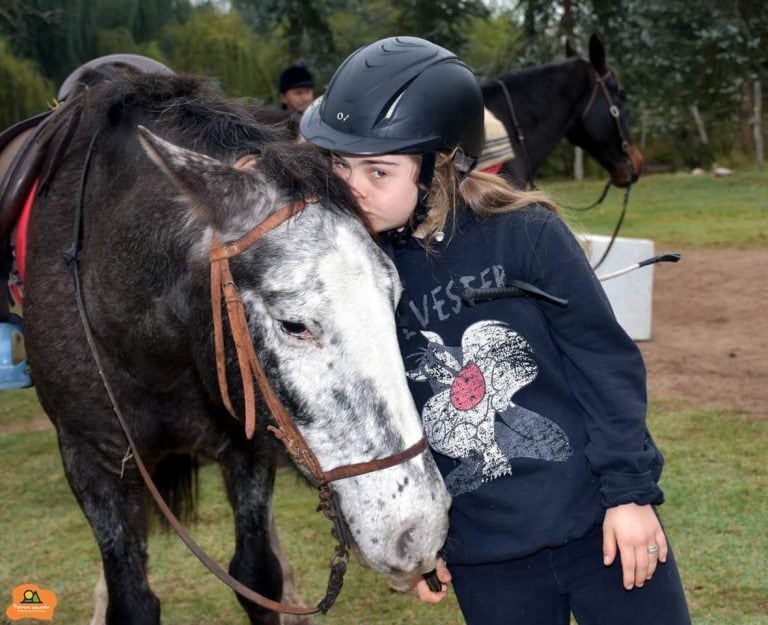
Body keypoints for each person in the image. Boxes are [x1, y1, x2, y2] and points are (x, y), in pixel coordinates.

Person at [301, 36, 691, 625]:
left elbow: (605, 364)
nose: (353, 187)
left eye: (378, 170)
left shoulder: (526, 233)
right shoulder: (359, 280)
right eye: (340, 164)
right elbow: (376, 417)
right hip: (486, 558)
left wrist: (630, 495)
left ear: (439, 163)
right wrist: (421, 534)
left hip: (603, 531)